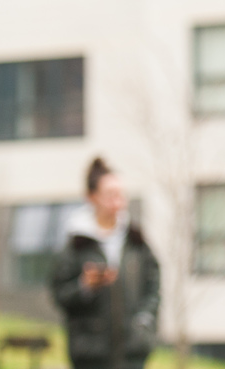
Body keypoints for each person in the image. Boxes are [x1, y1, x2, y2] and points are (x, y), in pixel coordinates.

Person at [50, 158, 161, 369]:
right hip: (90, 355)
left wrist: (145, 322)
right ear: (92, 197)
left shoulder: (136, 241)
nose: (117, 202)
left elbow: (153, 285)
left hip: (132, 353)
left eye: (120, 195)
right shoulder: (76, 245)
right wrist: (85, 286)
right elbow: (59, 294)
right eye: (110, 195)